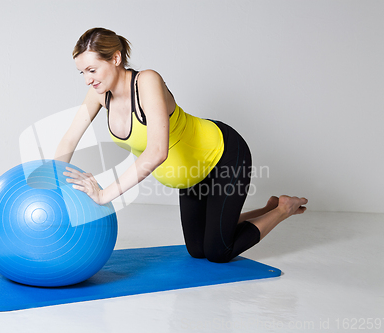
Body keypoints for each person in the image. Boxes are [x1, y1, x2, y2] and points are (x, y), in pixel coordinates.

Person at [54, 27, 308, 263]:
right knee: (198, 250)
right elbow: (70, 137)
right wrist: (50, 181)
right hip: (190, 176)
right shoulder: (99, 94)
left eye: (92, 70)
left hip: (222, 155)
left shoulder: (146, 81)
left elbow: (157, 152)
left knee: (218, 252)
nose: (87, 80)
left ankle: (283, 209)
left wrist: (103, 194)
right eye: (82, 72)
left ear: (116, 59)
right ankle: (267, 208)